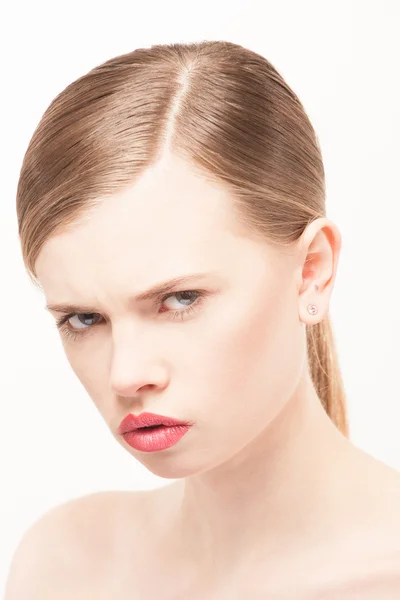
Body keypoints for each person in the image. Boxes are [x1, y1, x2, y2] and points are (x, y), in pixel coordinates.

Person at [5, 40, 400, 599]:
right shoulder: (61, 567)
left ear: (312, 271)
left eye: (181, 299)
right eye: (85, 318)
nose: (126, 374)